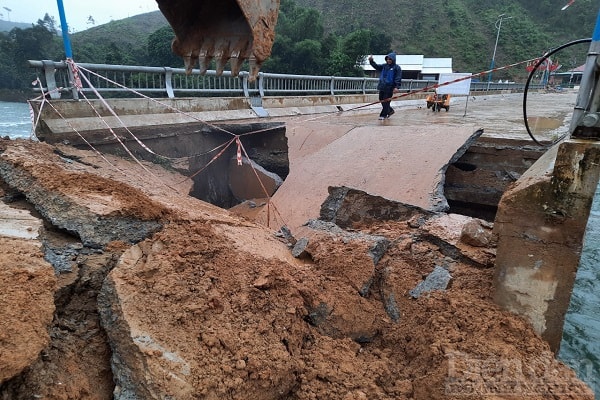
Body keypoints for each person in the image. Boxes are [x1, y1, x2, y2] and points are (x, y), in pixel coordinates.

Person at [369, 52, 402, 120]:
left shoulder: (397, 68)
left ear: (393, 60)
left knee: (386, 100)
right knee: (381, 99)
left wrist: (396, 87)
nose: (388, 60)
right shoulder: (384, 66)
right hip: (382, 86)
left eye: (390, 59)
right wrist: (371, 61)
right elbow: (376, 66)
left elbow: (398, 78)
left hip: (390, 87)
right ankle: (390, 111)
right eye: (387, 59)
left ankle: (383, 115)